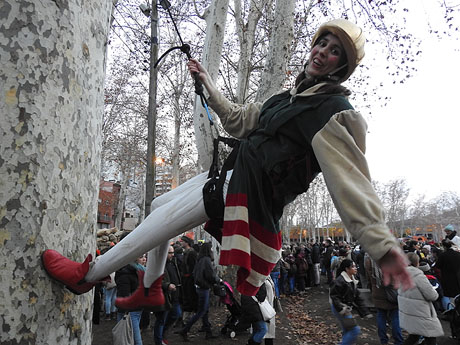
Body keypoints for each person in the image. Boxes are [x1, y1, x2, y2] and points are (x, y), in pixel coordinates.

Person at [41, 19, 412, 311]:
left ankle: (87, 275)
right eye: (321, 43)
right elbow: (239, 119)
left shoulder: (335, 114)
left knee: (159, 222)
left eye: (334, 52)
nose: (321, 53)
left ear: (341, 67)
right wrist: (207, 84)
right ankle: (151, 288)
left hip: (250, 192)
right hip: (232, 173)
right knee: (157, 207)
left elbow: (352, 184)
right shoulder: (286, 99)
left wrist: (381, 247)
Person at [398, 253, 443, 345]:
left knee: (414, 336)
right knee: (430, 335)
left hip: (409, 310)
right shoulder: (418, 276)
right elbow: (432, 295)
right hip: (422, 312)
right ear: (417, 262)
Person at [178, 242, 220, 341]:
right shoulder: (206, 260)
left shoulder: (200, 259)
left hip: (199, 287)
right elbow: (210, 275)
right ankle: (185, 330)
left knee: (204, 311)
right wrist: (218, 280)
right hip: (204, 288)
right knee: (201, 311)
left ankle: (208, 331)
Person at [330, 259, 372, 345]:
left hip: (345, 307)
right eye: (353, 267)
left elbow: (357, 297)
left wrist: (365, 311)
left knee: (347, 329)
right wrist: (342, 308)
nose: (355, 268)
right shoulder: (340, 281)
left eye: (355, 266)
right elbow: (334, 296)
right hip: (341, 308)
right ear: (347, 269)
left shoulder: (352, 279)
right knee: (354, 330)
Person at [365, 255, 403, 345]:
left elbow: (369, 278)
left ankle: (383, 340)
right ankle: (398, 340)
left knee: (381, 316)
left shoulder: (369, 260)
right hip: (392, 293)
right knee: (395, 317)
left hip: (377, 291)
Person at [115, 253, 149, 345]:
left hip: (137, 309)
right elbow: (124, 295)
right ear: (134, 259)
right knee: (133, 339)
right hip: (130, 311)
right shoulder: (126, 273)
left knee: (130, 338)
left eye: (145, 256)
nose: (144, 259)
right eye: (141, 257)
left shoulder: (140, 271)